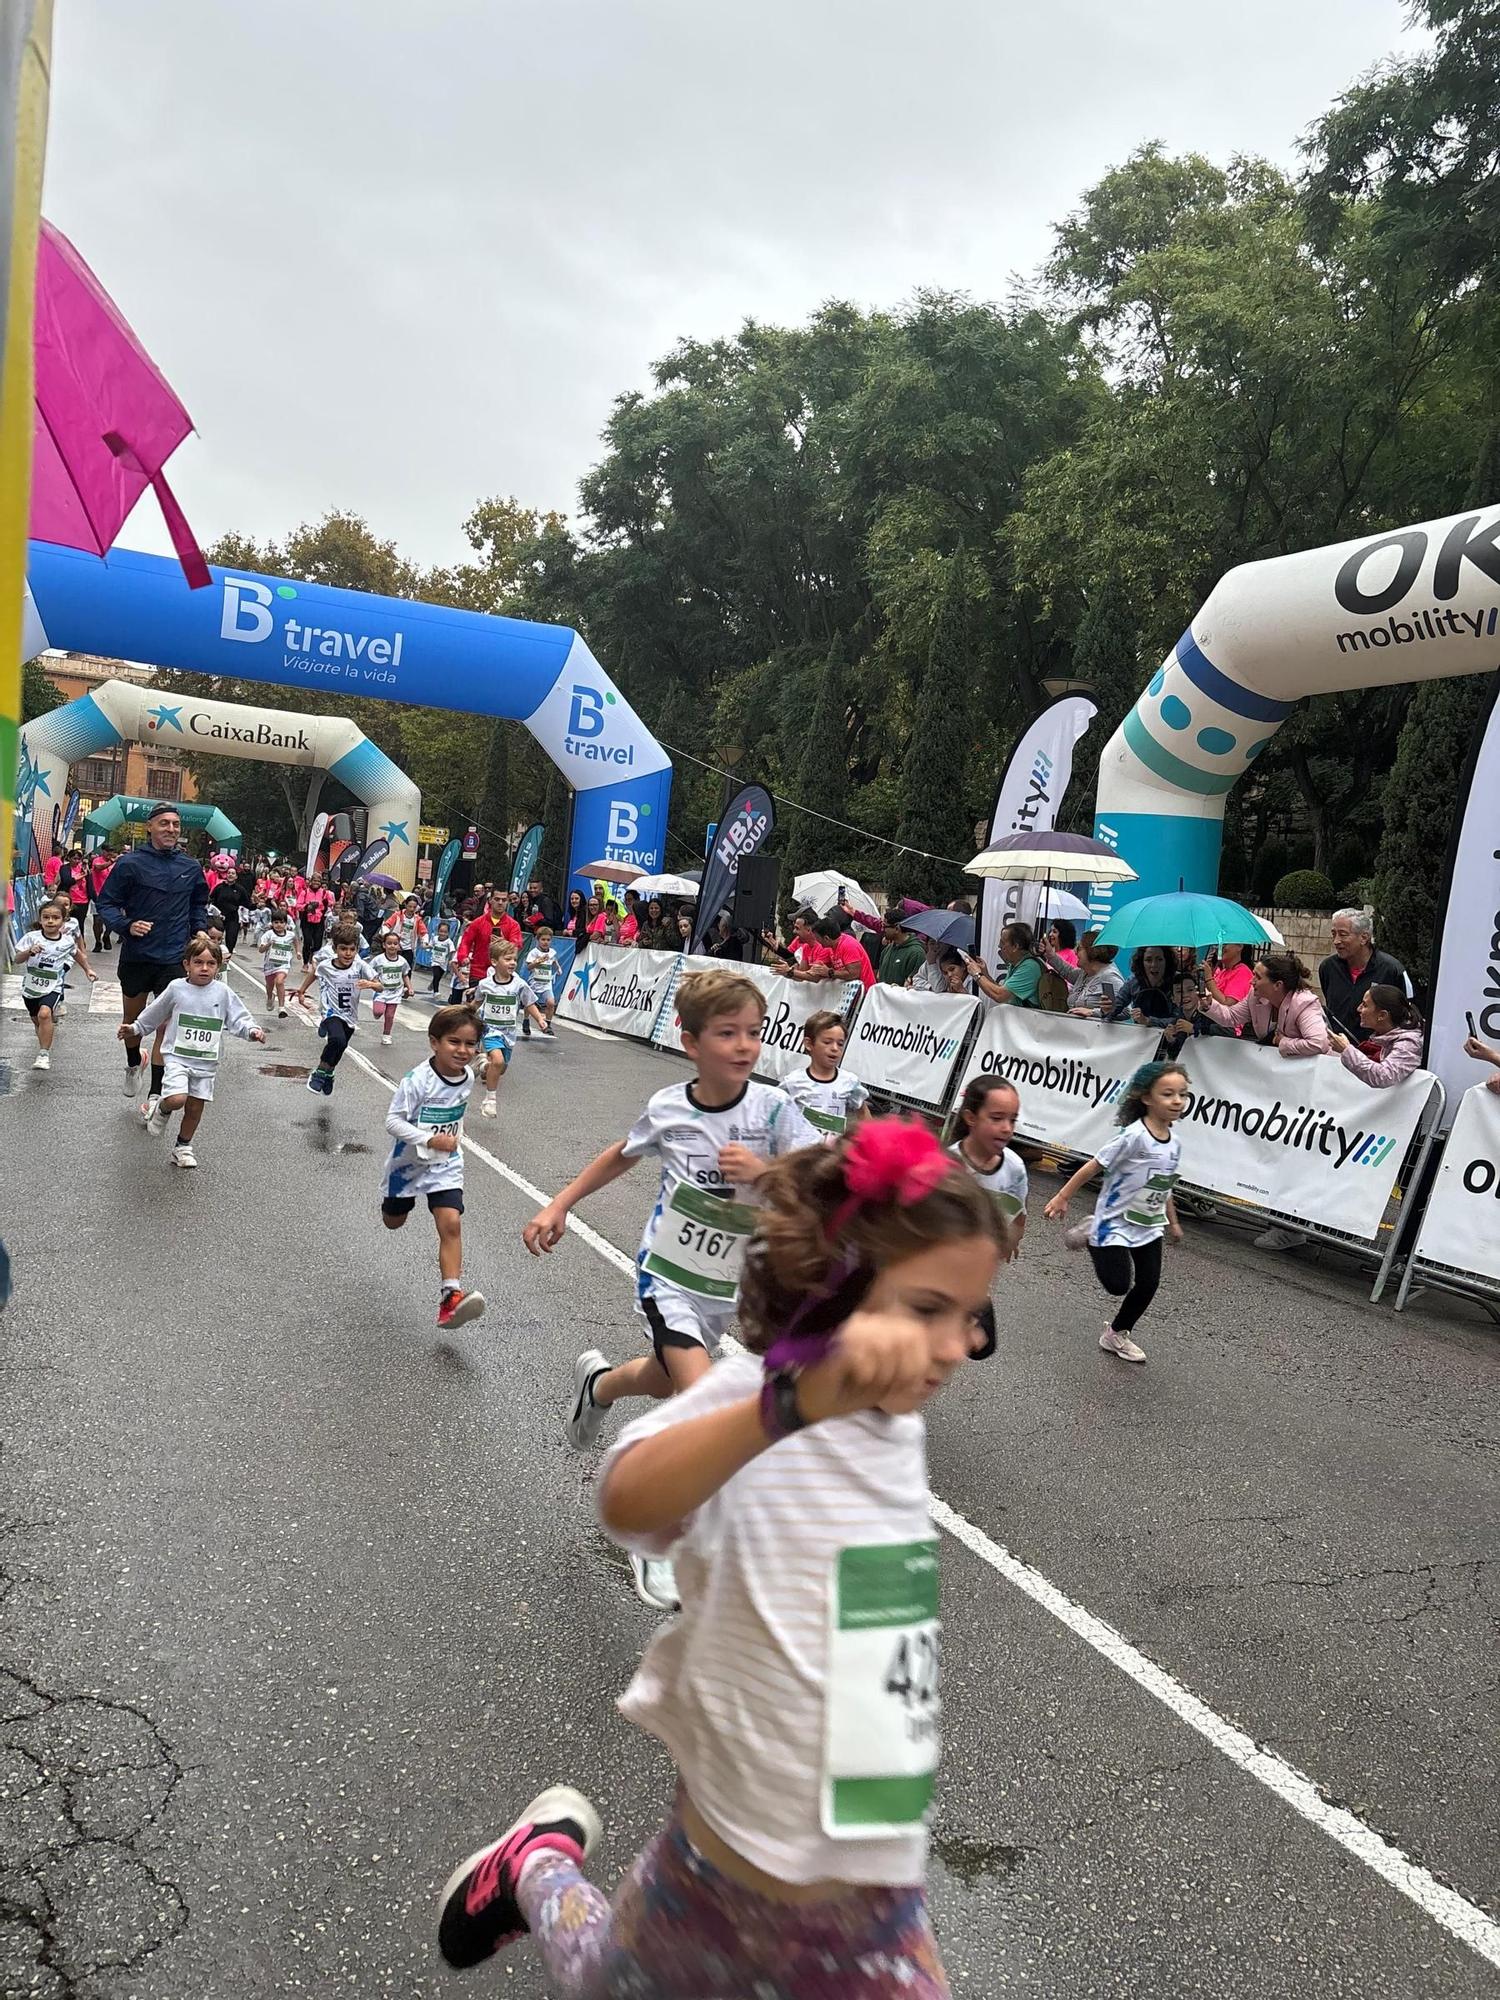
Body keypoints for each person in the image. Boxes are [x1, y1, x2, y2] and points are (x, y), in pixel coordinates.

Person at [436, 1118, 1002, 1995]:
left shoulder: (898, 1428)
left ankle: (538, 1868)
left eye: (973, 1318)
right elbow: (625, 1499)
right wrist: (785, 1408)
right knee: (600, 1980)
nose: (960, 1345)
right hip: (726, 1871)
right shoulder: (755, 1403)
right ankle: (534, 1868)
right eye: (930, 1310)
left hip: (877, 1891)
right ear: (827, 1289)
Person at [524, 970, 817, 1605]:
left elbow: (820, 1178)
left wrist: (766, 1173)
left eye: (754, 1033)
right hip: (669, 1277)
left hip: (729, 1284)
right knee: (701, 1403)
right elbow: (622, 1153)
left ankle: (598, 1386)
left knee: (663, 1376)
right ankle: (660, 1537)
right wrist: (561, 1203)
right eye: (727, 1033)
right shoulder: (670, 1108)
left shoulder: (774, 1110)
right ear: (690, 1042)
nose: (744, 1046)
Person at [1043, 1060, 1188, 1364]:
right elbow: (1095, 1165)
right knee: (1117, 1285)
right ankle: (1092, 1233)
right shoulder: (1133, 1136)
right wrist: (1062, 1196)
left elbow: (1165, 1185)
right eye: (1168, 1094)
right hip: (1114, 1223)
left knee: (1149, 1282)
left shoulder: (1174, 1143)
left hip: (1149, 1223)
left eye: (1182, 1094)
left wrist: (1173, 1222)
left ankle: (1117, 1334)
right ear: (1146, 1098)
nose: (1177, 1100)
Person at [95, 803, 210, 1114]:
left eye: (175, 824)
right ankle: (135, 1063)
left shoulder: (191, 867)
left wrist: (199, 930)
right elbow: (106, 904)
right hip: (137, 955)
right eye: (164, 824)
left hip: (174, 957)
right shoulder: (130, 864)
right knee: (132, 1023)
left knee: (166, 1027)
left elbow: (199, 904)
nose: (171, 829)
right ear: (149, 827)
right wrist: (126, 925)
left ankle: (156, 1094)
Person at [119, 932, 266, 1168]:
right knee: (177, 1098)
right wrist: (136, 1028)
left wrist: (251, 1031)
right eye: (198, 962)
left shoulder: (222, 992)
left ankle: (183, 1147)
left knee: (195, 1107)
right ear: (186, 964)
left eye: (210, 963)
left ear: (218, 967)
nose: (204, 968)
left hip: (206, 1060)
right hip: (177, 1056)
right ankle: (162, 1108)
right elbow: (156, 1012)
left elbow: (238, 1018)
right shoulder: (177, 988)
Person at [381, 1004, 487, 1329]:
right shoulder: (417, 1081)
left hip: (446, 1163)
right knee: (393, 1221)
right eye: (454, 1042)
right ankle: (397, 1204)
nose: (463, 1050)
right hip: (407, 1165)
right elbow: (392, 1122)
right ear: (434, 1042)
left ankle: (450, 1297)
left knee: (451, 1223)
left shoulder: (467, 1076)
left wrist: (448, 1139)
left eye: (470, 1044)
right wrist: (428, 1139)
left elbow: (455, 1112)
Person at [295, 926, 382, 1097]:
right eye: (343, 949)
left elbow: (380, 986)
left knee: (341, 1046)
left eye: (352, 949)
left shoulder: (360, 966)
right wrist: (301, 991)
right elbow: (314, 974)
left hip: (350, 1016)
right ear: (335, 949)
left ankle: (330, 1073)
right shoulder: (326, 966)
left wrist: (371, 984)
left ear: (357, 949)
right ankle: (320, 1072)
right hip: (331, 1012)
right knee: (337, 1039)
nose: (348, 953)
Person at [14, 899, 95, 1070]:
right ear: (41, 919)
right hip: (31, 986)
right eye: (46, 917)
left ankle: (44, 1054)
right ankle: (44, 1039)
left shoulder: (66, 941)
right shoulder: (31, 937)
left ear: (63, 920)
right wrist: (29, 952)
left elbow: (77, 954)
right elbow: (17, 959)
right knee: (37, 1020)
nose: (50, 921)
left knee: (45, 1014)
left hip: (53, 985)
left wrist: (88, 970)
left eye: (55, 918)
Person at [948, 1076, 1027, 1250]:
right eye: (997, 1118)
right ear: (971, 1118)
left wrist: (1013, 1239)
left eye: (1013, 1120)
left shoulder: (1015, 1167)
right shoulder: (949, 1165)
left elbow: (1019, 1211)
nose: (1007, 1128)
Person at [1200, 950, 1329, 1056]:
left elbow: (1319, 1043)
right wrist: (1209, 1005)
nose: (1251, 981)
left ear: (1277, 985)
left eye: (1258, 977)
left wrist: (1283, 1042)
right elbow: (1231, 1017)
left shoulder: (1304, 1003)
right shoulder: (1254, 996)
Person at [473, 940, 551, 1115]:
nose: (512, 963)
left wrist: (539, 1019)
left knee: (500, 1067)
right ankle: (490, 1100)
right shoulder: (485, 984)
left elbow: (529, 1002)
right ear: (494, 962)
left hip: (508, 1032)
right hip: (490, 1030)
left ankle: (483, 1065)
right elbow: (476, 1003)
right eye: (507, 959)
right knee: (498, 1061)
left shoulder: (519, 984)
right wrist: (465, 1015)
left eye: (514, 959)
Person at [1319, 909, 1410, 1036]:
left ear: (1364, 937)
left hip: (1376, 1052)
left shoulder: (1392, 970)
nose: (1336, 941)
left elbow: (1408, 1015)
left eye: (1343, 934)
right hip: (1336, 1049)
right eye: (1333, 934)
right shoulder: (1327, 967)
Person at [781, 1009, 868, 1138]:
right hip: (800, 1153)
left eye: (840, 1044)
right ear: (809, 1044)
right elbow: (775, 1116)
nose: (834, 1048)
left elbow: (864, 1115)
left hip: (831, 1155)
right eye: (827, 1042)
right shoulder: (793, 1082)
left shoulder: (850, 1082)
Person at [1327, 985, 1423, 1087]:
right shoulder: (1389, 1035)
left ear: (1382, 1015)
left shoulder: (1409, 1043)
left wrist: (1346, 1050)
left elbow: (1384, 1076)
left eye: (1364, 1005)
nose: (1358, 1009)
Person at [965, 922, 1056, 1008]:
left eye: (1003, 942)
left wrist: (977, 974)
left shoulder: (1030, 967)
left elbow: (1000, 995)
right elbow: (1004, 991)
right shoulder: (1016, 963)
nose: (999, 946)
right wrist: (985, 974)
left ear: (1015, 946)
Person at [455, 891, 523, 995]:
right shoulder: (477, 922)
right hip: (478, 972)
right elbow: (465, 942)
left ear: (508, 902)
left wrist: (503, 941)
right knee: (474, 1007)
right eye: (497, 899)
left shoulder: (514, 925)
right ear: (490, 900)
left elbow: (515, 946)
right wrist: (463, 957)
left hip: (501, 974)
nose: (500, 903)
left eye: (504, 900)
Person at [809, 913, 875, 990]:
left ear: (826, 938)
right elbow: (816, 972)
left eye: (817, 938)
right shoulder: (830, 947)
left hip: (865, 993)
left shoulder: (848, 945)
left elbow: (854, 974)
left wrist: (829, 972)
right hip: (849, 993)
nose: (816, 941)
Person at [1063, 937, 1125, 1018]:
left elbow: (1125, 1011)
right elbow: (1067, 971)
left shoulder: (1109, 977)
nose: (1075, 952)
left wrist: (1093, 1012)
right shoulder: (1084, 973)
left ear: (1092, 951)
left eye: (1079, 948)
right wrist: (1050, 954)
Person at [370, 930, 413, 1046]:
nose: (392, 946)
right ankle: (377, 1012)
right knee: (378, 1012)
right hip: (381, 992)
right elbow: (369, 971)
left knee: (390, 1015)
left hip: (395, 993)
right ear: (384, 945)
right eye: (389, 943)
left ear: (399, 945)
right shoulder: (378, 959)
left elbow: (405, 975)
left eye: (395, 943)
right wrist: (374, 982)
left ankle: (387, 1034)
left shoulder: (402, 961)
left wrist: (409, 987)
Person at [520, 925, 562, 1033]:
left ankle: (548, 1024)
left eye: (548, 940)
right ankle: (526, 1020)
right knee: (529, 1003)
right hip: (534, 982)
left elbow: (554, 960)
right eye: (543, 939)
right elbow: (529, 967)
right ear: (537, 940)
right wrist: (537, 962)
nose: (545, 942)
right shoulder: (534, 952)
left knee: (551, 1002)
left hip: (546, 983)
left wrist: (558, 968)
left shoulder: (551, 952)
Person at [261, 910, 296, 1017]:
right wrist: (268, 945)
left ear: (286, 923)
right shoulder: (268, 935)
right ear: (272, 924)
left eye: (281, 922)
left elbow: (296, 941)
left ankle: (281, 1008)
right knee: (270, 986)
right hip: (270, 965)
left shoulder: (290, 935)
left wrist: (298, 951)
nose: (279, 925)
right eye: (276, 922)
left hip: (283, 964)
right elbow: (261, 950)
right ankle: (270, 997)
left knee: (280, 982)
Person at [877, 910, 926, 987]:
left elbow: (914, 985)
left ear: (897, 928)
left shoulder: (916, 953)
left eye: (884, 926)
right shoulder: (887, 949)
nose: (882, 929)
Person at [300, 873, 334, 965]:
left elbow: (331, 903)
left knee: (318, 943)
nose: (316, 883)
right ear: (311, 881)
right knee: (307, 941)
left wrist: (325, 903)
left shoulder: (324, 892)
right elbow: (298, 905)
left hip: (319, 920)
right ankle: (305, 962)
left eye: (318, 881)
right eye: (314, 880)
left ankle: (312, 953)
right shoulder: (305, 892)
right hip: (307, 920)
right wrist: (307, 906)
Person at [88, 847, 116, 952]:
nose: (110, 853)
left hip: (111, 895)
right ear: (103, 851)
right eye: (108, 851)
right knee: (97, 920)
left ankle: (106, 935)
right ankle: (98, 941)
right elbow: (99, 868)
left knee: (111, 919)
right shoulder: (97, 860)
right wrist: (110, 862)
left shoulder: (114, 863)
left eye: (111, 851)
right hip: (98, 894)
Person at [394, 894, 427, 971]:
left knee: (407, 970)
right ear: (405, 904)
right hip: (395, 946)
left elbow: (424, 932)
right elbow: (386, 926)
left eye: (414, 907)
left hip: (409, 948)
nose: (412, 909)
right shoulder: (397, 915)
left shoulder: (417, 919)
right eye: (410, 906)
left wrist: (425, 941)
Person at [427, 917, 457, 995]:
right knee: (436, 975)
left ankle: (433, 984)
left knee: (439, 977)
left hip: (443, 963)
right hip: (434, 961)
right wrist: (425, 946)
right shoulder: (435, 939)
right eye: (441, 931)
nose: (442, 934)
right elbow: (431, 945)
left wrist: (452, 960)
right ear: (438, 931)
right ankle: (436, 992)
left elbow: (452, 951)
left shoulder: (449, 942)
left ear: (448, 933)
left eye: (445, 932)